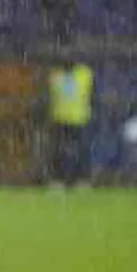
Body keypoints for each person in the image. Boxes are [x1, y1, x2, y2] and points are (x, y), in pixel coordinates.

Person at [46, 59, 94, 188]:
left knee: (81, 151)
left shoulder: (85, 73)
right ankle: (58, 179)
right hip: (59, 118)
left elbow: (93, 94)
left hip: (79, 118)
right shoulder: (55, 74)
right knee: (58, 151)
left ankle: (82, 180)